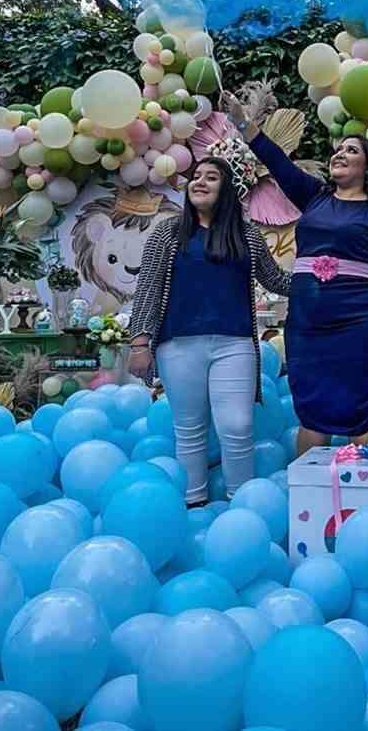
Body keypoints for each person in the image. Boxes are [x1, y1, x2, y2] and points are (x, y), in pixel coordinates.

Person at [226, 95, 368, 454]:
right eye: (337, 150)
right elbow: (278, 163)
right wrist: (244, 124)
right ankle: (311, 504)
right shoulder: (314, 197)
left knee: (362, 410)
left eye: (351, 151)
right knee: (311, 410)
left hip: (361, 325)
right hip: (307, 325)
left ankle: (365, 504)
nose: (339, 154)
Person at [129, 156, 291, 504]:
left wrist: (320, 277)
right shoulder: (168, 233)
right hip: (178, 346)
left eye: (212, 177)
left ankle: (242, 504)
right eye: (196, 176)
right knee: (189, 431)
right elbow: (148, 289)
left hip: (234, 345)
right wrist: (139, 342)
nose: (200, 182)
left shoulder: (246, 234)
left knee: (237, 426)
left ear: (227, 190)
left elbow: (275, 279)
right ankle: (193, 504)